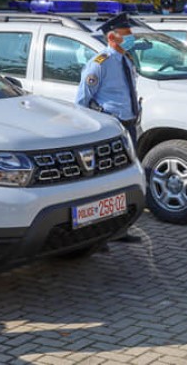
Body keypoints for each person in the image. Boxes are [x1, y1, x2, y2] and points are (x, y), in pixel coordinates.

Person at [76, 12, 142, 243]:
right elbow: (82, 101)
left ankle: (119, 229)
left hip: (129, 127)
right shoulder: (99, 63)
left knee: (125, 181)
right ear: (113, 37)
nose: (131, 37)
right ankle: (96, 234)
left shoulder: (126, 60)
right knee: (105, 184)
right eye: (127, 34)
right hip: (111, 130)